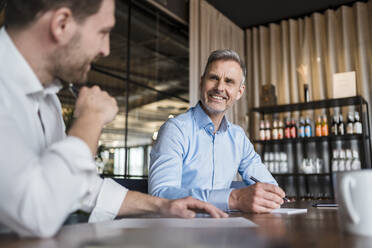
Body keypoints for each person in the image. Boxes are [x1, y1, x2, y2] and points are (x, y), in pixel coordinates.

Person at [0, 0, 227, 238]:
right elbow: (38, 213)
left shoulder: (48, 101)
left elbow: (77, 186)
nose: (106, 49)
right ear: (62, 24)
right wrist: (91, 118)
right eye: (103, 32)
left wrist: (163, 205)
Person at [149, 49, 286, 213]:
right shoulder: (175, 130)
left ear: (239, 92)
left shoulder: (238, 137)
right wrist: (233, 198)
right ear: (201, 82)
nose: (220, 87)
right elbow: (160, 194)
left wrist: (271, 195)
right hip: (181, 231)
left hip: (224, 230)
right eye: (214, 78)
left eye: (229, 81)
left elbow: (269, 187)